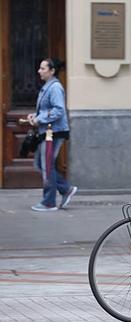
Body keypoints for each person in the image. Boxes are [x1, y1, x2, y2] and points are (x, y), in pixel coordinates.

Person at [27, 58, 78, 212]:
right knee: (42, 164)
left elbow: (58, 110)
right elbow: (49, 109)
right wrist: (34, 116)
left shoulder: (54, 87)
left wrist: (39, 119)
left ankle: (49, 202)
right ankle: (65, 189)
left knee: (47, 166)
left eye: (43, 68)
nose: (39, 71)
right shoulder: (48, 87)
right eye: (40, 68)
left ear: (52, 71)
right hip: (48, 132)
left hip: (54, 133)